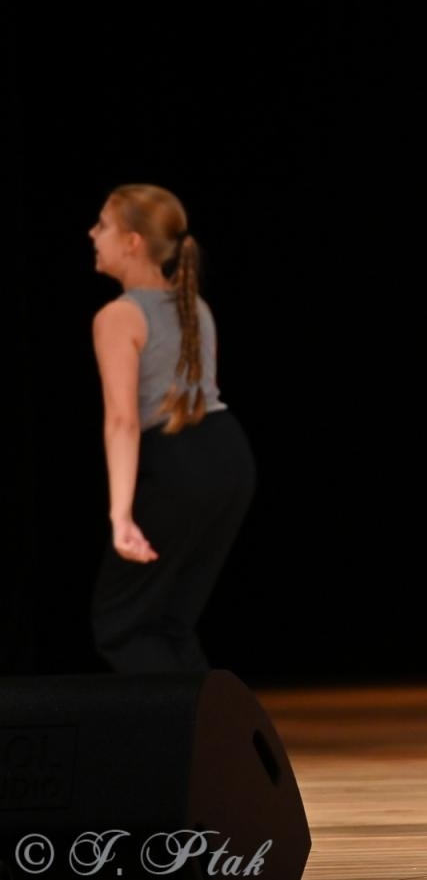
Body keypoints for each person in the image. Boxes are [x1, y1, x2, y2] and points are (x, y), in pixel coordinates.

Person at [87, 184, 255, 673]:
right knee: (168, 623)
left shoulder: (119, 315)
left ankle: (177, 746)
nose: (92, 234)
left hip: (180, 462)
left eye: (103, 225)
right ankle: (209, 745)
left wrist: (121, 516)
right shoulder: (194, 306)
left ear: (133, 241)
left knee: (123, 623)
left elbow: (123, 420)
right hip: (228, 456)